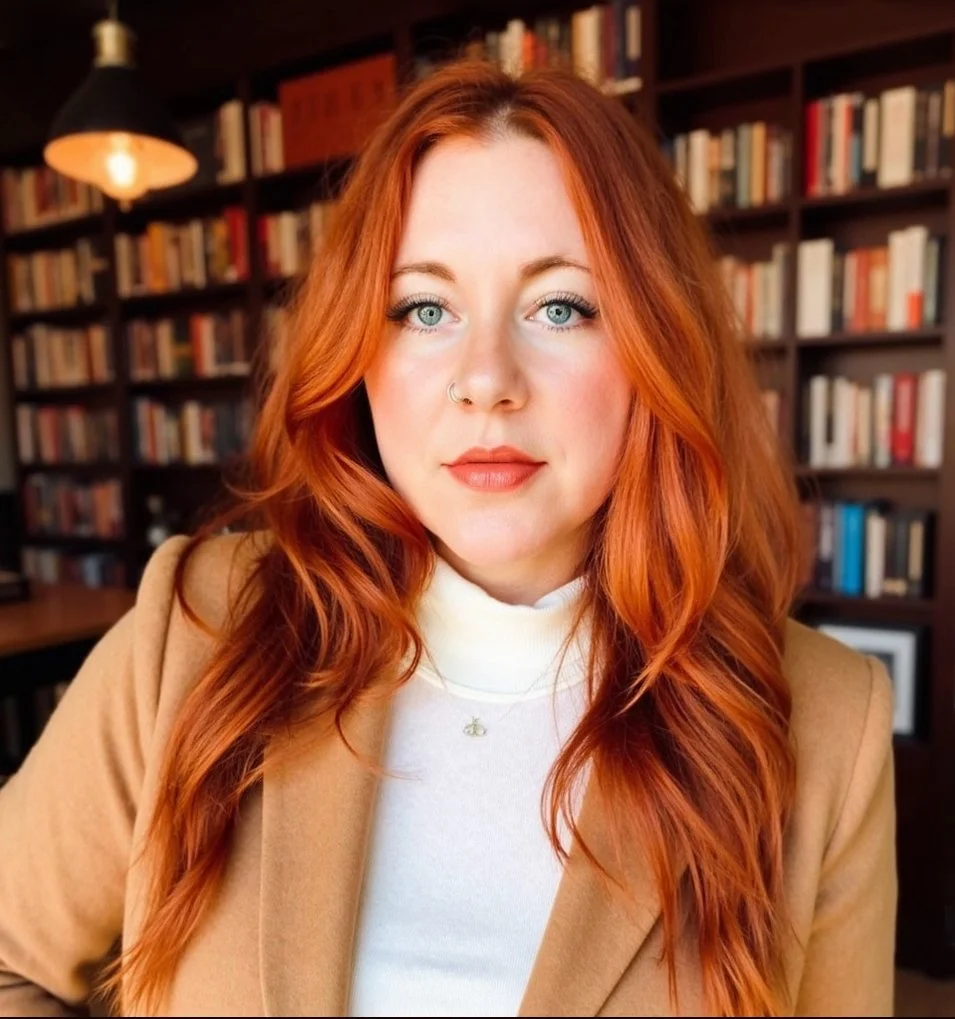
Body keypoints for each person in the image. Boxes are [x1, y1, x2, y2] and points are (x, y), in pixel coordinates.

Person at [0, 58, 895, 1017]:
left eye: (560, 306)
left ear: (655, 346)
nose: (485, 380)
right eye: (425, 309)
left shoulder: (825, 724)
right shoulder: (192, 630)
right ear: (359, 352)